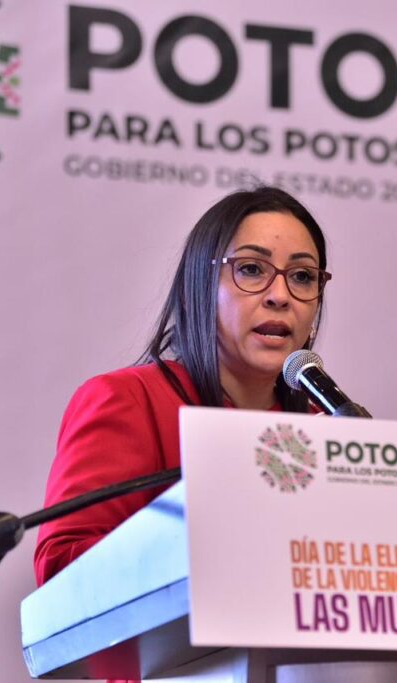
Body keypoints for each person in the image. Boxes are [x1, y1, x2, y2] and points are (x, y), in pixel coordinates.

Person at [33, 187, 331, 586]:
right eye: (251, 269)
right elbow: (62, 568)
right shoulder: (129, 402)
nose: (280, 296)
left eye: (302, 276)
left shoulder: (324, 431)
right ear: (197, 289)